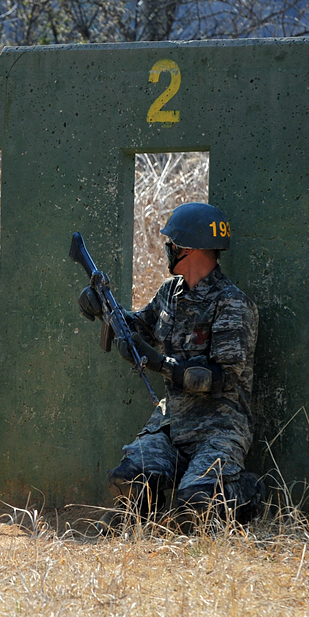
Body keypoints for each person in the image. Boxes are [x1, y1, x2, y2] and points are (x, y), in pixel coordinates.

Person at [78, 202, 261, 524]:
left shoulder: (232, 304)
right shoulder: (169, 293)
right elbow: (138, 326)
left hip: (219, 428)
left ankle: (246, 493)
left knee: (197, 505)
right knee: (128, 478)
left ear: (187, 249)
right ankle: (144, 513)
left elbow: (223, 378)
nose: (168, 249)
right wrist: (104, 309)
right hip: (171, 423)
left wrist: (158, 362)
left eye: (172, 244)